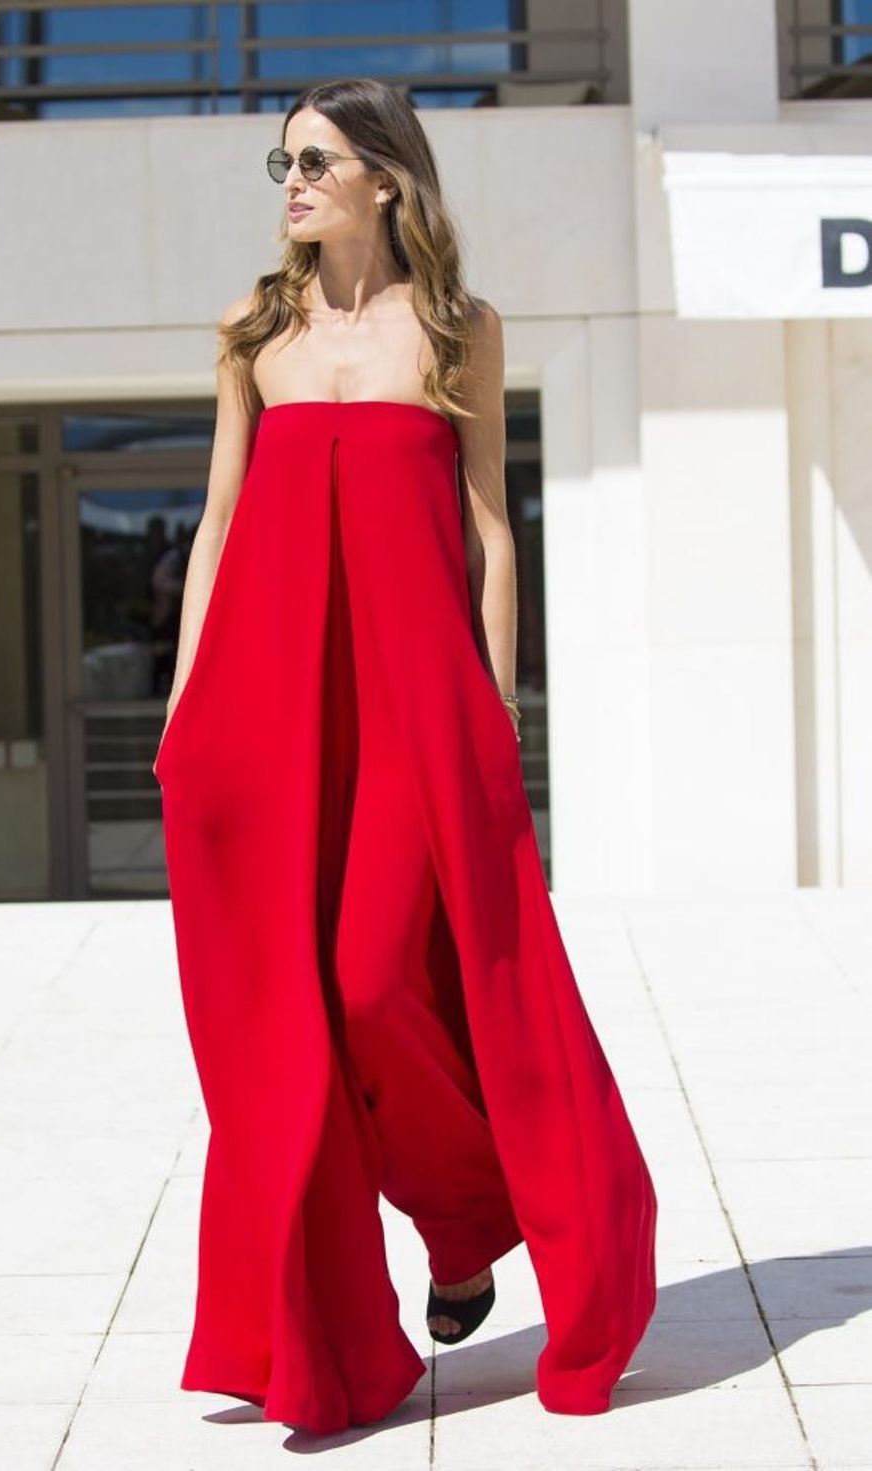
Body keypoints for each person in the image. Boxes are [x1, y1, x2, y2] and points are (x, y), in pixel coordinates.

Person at [153, 76, 657, 1436]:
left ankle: (463, 1215)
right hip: (264, 711)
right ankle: (320, 1342)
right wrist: (186, 712)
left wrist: (490, 717)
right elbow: (213, 529)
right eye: (284, 161)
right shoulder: (253, 333)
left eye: (314, 160)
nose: (291, 183)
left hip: (415, 710)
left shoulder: (456, 332)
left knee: (379, 981)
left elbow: (493, 532)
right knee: (285, 1025)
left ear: (387, 176)